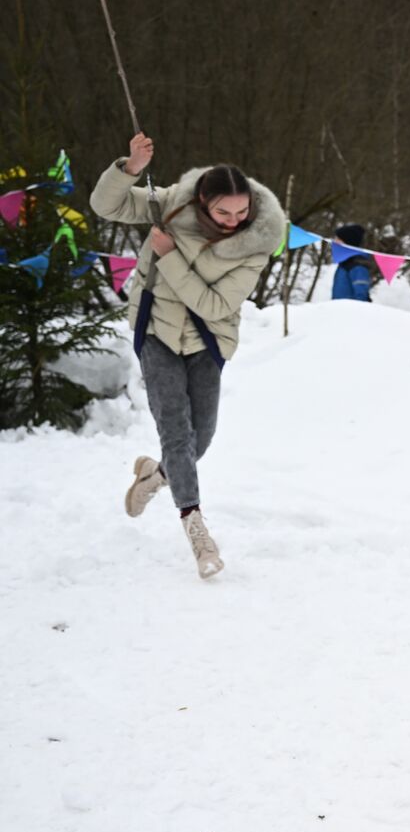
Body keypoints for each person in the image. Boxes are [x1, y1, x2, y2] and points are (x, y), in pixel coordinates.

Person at [92, 132, 286, 579]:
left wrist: (168, 256)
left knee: (204, 437)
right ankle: (196, 527)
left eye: (242, 212)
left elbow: (215, 305)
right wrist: (130, 169)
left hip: (207, 341)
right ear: (202, 201)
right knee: (177, 433)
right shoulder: (171, 205)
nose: (234, 220)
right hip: (156, 332)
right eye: (223, 211)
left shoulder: (256, 243)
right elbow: (109, 206)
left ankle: (153, 475)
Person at [329, 224, 373, 302]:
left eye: (338, 239)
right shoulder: (344, 263)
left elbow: (361, 296)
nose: (334, 241)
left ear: (348, 242)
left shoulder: (357, 265)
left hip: (350, 312)